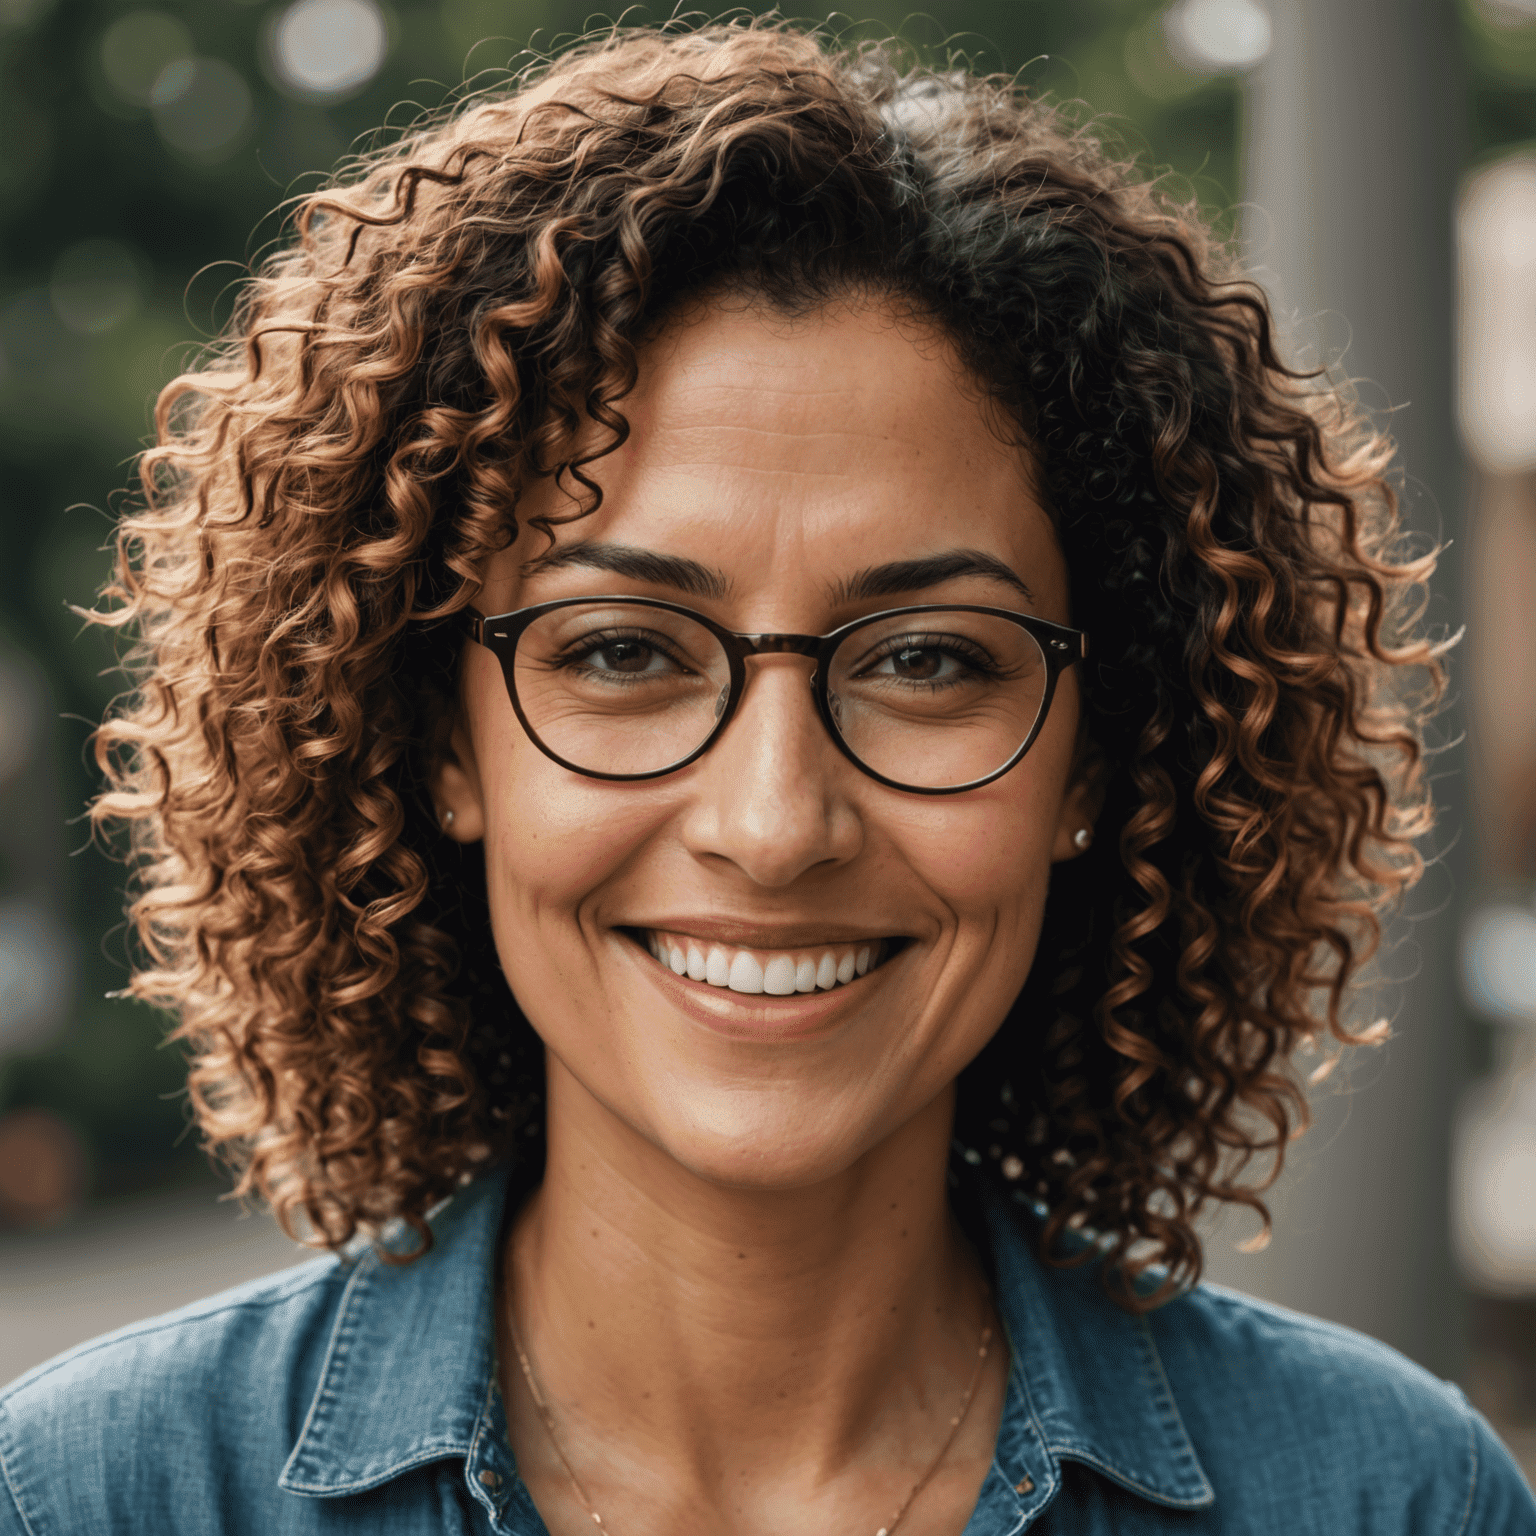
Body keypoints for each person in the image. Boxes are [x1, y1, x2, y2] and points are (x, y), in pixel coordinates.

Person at [2, 21, 1531, 1534]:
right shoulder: (97, 1500)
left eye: (929, 659)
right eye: (620, 653)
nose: (773, 821)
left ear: (1098, 758)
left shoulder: (1392, 1499)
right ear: (443, 739)